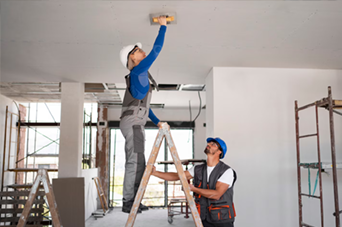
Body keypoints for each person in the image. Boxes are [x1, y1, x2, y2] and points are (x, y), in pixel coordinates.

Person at [119, 16, 168, 214]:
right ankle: (129, 201)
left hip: (133, 121)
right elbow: (156, 51)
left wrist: (156, 121)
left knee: (138, 161)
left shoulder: (140, 76)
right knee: (135, 161)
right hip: (133, 123)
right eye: (137, 50)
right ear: (133, 58)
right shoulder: (137, 72)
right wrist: (163, 27)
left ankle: (134, 199)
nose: (142, 51)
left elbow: (144, 108)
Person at [152, 137, 237, 227]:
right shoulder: (197, 169)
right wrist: (155, 173)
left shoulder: (226, 171)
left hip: (222, 220)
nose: (209, 145)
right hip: (203, 218)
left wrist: (193, 189)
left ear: (220, 152)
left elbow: (216, 194)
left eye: (213, 144)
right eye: (209, 143)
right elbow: (177, 176)